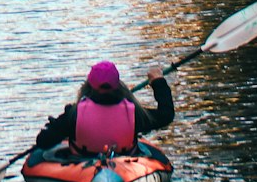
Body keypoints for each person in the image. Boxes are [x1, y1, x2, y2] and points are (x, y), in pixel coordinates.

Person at [31, 60, 174, 158]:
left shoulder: (74, 114)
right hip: (124, 163)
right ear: (118, 85)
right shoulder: (134, 113)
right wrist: (158, 82)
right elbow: (166, 115)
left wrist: (58, 128)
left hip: (81, 165)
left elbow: (43, 141)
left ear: (88, 85)